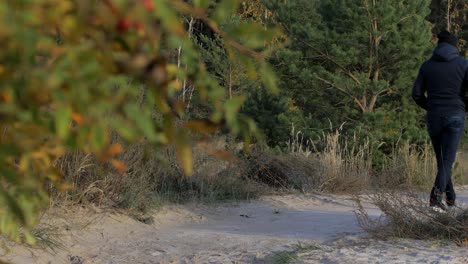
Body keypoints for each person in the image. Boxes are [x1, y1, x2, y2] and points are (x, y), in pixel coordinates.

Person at [412, 30, 467, 210]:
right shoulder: (464, 65)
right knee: (446, 161)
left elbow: (417, 94)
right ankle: (436, 200)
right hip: (455, 116)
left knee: (443, 160)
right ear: (455, 45)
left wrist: (431, 107)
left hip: (434, 117)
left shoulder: (427, 66)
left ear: (438, 45)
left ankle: (450, 199)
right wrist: (463, 107)